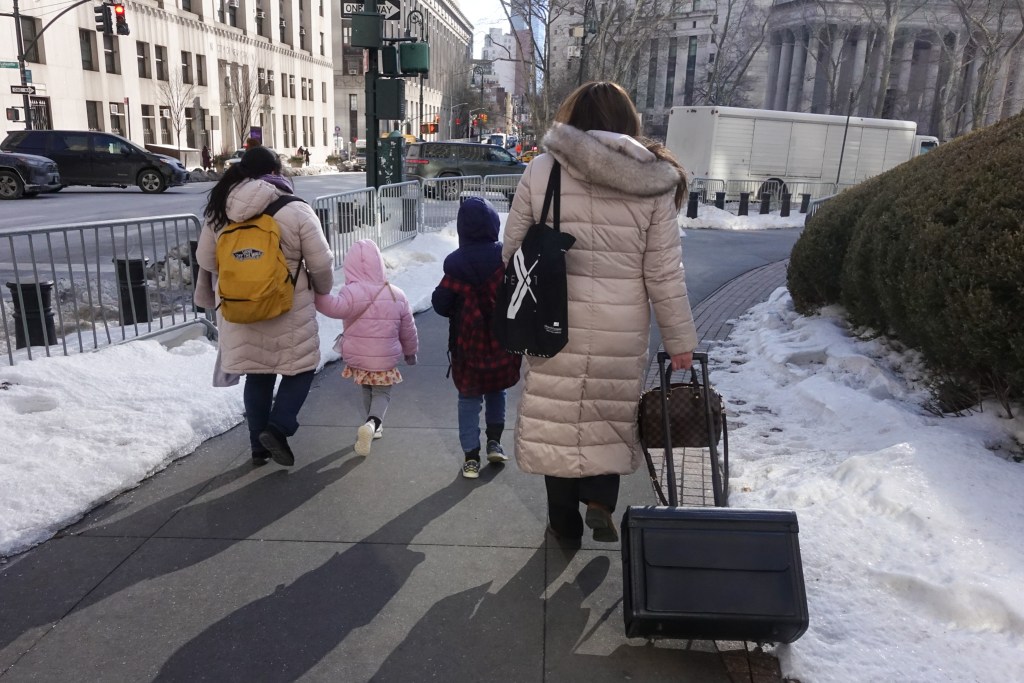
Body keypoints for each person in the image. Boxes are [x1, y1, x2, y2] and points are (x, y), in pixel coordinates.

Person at [502, 81, 697, 544]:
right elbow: (664, 273)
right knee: (609, 417)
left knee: (557, 421)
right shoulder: (653, 180)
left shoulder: (543, 170)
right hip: (620, 328)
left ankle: (563, 525)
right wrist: (681, 343)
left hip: (553, 322)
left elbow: (512, 251)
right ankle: (600, 501)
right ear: (628, 122)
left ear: (572, 116)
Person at [196, 146, 334, 467]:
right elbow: (321, 262)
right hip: (288, 307)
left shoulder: (221, 208)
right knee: (300, 369)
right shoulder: (295, 209)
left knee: (258, 375)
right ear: (276, 171)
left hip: (238, 308)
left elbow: (206, 259)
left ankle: (258, 449)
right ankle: (278, 427)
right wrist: (322, 289)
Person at [432, 198, 522, 479]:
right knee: (497, 391)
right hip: (502, 343)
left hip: (466, 348)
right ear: (494, 225)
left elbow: (440, 304)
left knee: (469, 399)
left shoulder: (456, 265)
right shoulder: (504, 260)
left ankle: (471, 457)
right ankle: (495, 442)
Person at [315, 239, 419, 457]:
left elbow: (333, 307)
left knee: (366, 387)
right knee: (382, 392)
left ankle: (371, 424)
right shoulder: (396, 294)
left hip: (359, 357)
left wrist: (314, 294)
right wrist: (410, 352)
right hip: (385, 357)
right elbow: (408, 328)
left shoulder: (351, 293)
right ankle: (373, 424)